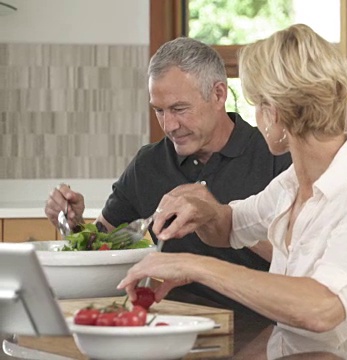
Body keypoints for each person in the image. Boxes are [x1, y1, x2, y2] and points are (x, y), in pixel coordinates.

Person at [118, 24, 347, 359]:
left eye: (258, 104)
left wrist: (195, 266)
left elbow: (323, 307)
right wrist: (205, 211)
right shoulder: (291, 185)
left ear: (276, 112)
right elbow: (231, 226)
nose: (256, 116)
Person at [44, 37, 292, 316]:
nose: (169, 125)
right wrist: (72, 225)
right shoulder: (148, 164)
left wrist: (219, 217)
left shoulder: (277, 156)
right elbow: (101, 245)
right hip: (174, 322)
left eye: (179, 109)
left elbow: (301, 262)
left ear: (219, 95)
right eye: (159, 110)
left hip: (264, 326)